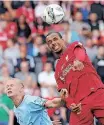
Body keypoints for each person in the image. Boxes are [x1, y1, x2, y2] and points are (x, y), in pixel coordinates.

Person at [45, 31, 104, 125]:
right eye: (49, 42)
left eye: (55, 39)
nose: (53, 43)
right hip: (79, 104)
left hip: (96, 93)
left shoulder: (74, 46)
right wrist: (71, 104)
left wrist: (78, 60)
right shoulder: (57, 71)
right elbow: (63, 92)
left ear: (62, 40)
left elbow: (81, 53)